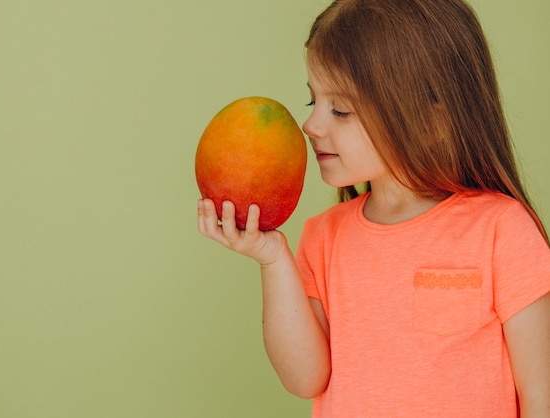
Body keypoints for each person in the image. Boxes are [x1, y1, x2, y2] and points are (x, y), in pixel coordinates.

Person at [197, 0, 550, 416]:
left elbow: (541, 394)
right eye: (314, 102)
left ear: (431, 123)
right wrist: (272, 259)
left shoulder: (501, 231)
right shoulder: (323, 237)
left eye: (341, 110)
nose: (311, 125)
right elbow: (304, 378)